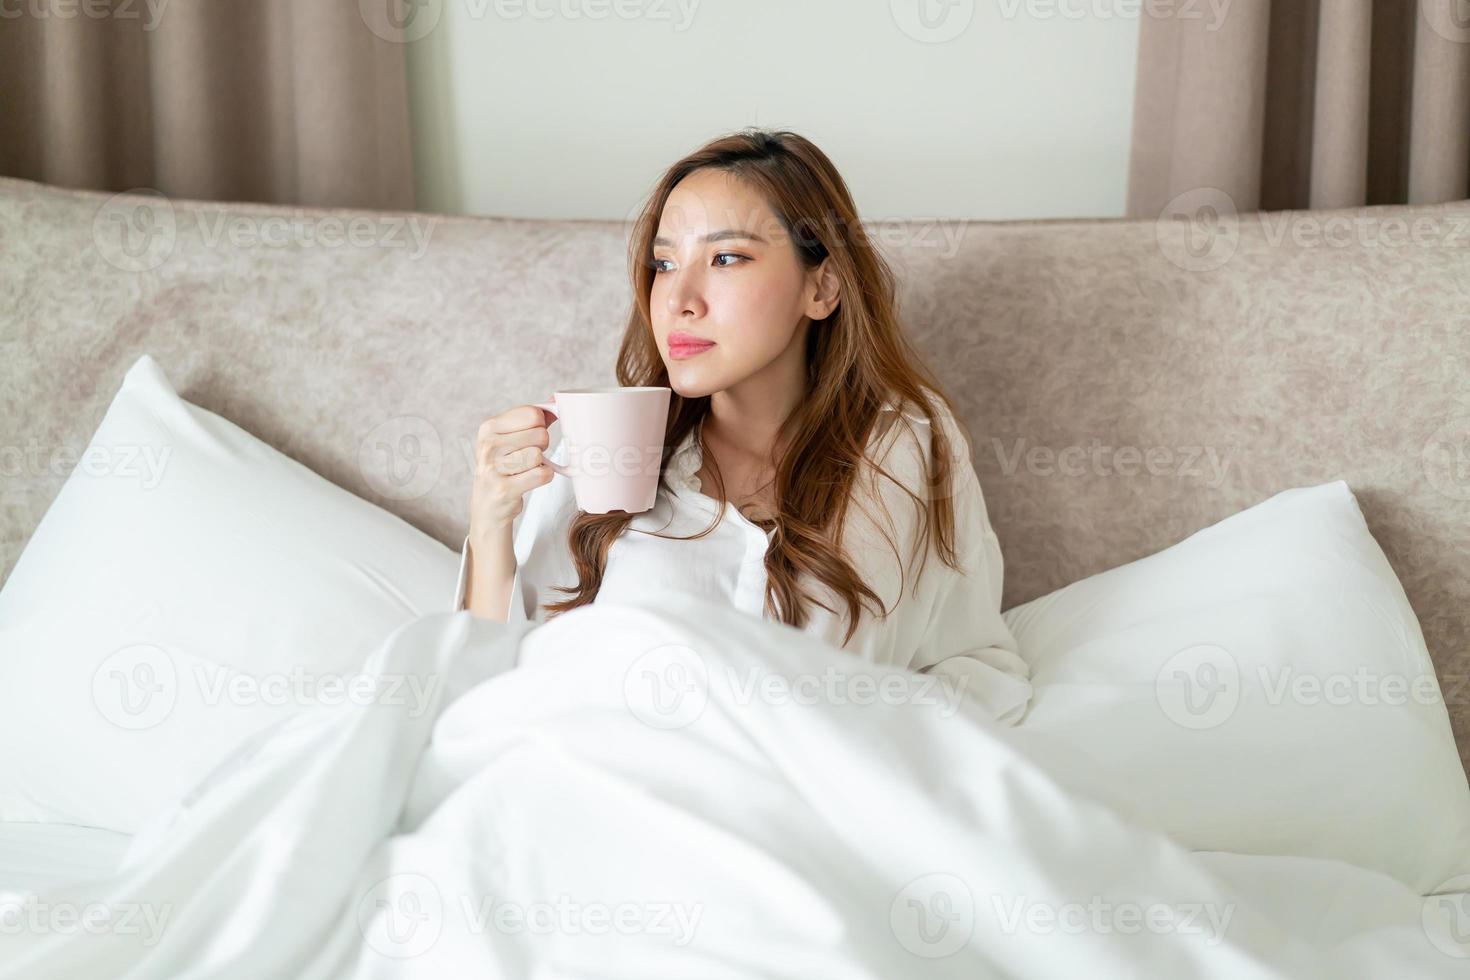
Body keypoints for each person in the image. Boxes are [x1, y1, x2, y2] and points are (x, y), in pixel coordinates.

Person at [455, 129, 1031, 725]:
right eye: (664, 263)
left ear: (822, 286)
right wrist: (491, 522)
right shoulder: (598, 446)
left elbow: (977, 667)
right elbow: (494, 687)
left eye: (726, 258)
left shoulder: (908, 447)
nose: (679, 298)